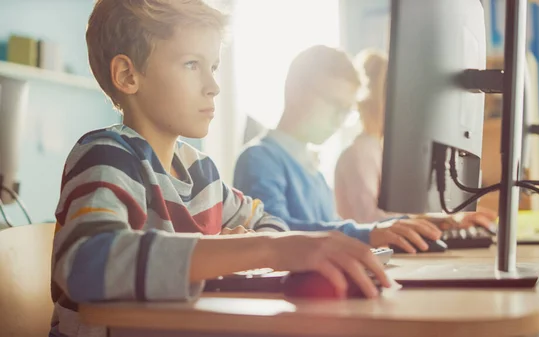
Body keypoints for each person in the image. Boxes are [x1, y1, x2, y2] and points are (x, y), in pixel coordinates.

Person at [50, 3, 390, 336]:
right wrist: (256, 249)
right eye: (191, 64)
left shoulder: (201, 171)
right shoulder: (106, 156)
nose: (213, 86)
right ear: (127, 75)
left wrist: (245, 243)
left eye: (213, 67)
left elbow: (270, 222)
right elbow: (85, 263)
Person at [234, 45, 494, 256]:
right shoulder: (259, 159)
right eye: (334, 104)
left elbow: (331, 228)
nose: (339, 119)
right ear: (295, 90)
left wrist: (414, 225)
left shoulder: (310, 167)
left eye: (345, 110)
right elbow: (273, 232)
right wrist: (368, 234)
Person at [335, 49, 496, 225]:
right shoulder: (361, 153)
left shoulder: (378, 150)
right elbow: (368, 220)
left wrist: (449, 221)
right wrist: (442, 223)